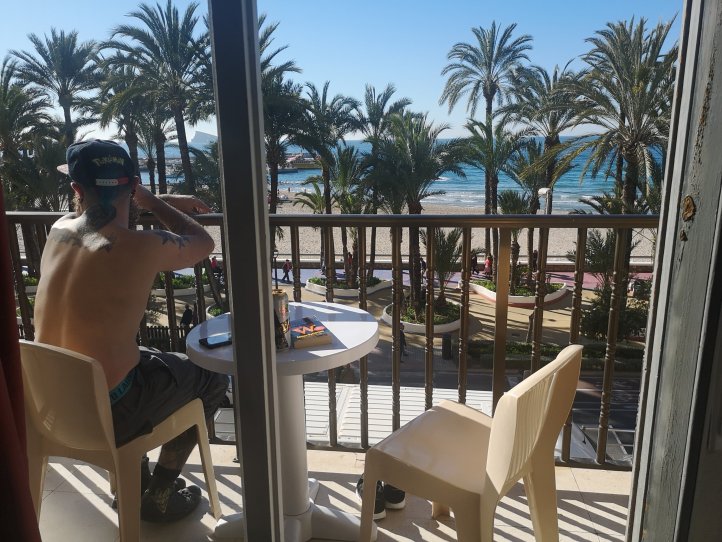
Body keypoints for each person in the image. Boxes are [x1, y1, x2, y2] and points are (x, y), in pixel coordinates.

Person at [34, 140, 229, 523]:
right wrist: (154, 201)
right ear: (133, 187)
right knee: (211, 378)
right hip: (110, 415)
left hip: (51, 407)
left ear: (76, 188)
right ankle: (158, 496)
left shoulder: (58, 231)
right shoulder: (142, 246)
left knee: (137, 362)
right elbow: (204, 243)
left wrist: (147, 197)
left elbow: (98, 225)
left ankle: (131, 485)